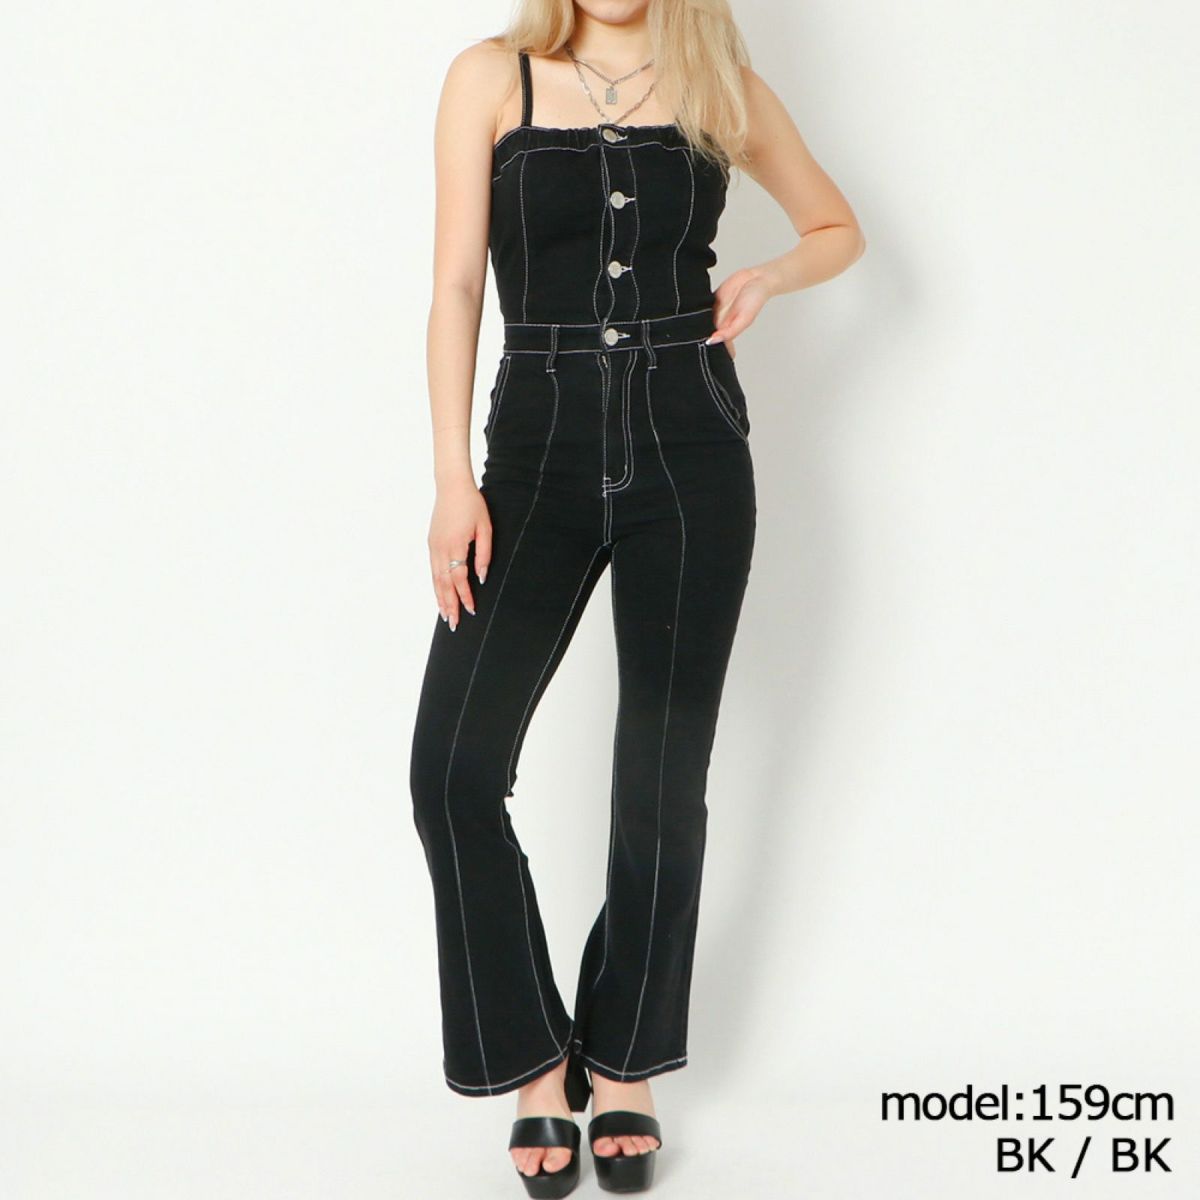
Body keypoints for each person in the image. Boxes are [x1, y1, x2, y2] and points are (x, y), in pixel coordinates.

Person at [409, 2, 865, 1193]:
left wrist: (771, 274)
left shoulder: (722, 87)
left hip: (690, 446)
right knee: (452, 771)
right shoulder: (491, 78)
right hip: (532, 456)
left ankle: (623, 1066)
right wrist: (454, 478)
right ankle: (531, 1061)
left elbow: (838, 228)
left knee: (660, 786)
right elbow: (457, 285)